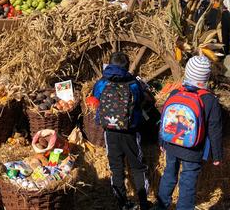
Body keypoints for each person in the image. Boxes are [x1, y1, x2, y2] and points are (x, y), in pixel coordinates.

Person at [156, 56, 223, 210]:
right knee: (187, 181)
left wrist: (162, 141)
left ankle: (161, 206)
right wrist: (217, 155)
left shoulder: (175, 93)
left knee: (168, 175)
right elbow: (215, 129)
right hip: (193, 150)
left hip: (172, 144)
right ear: (205, 77)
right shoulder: (210, 100)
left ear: (187, 73)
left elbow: (165, 119)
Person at [91, 52, 150, 210]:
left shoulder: (102, 82)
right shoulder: (133, 83)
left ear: (109, 64)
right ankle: (144, 203)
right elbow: (139, 100)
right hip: (130, 131)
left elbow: (95, 97)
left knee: (116, 168)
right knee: (137, 167)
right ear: (126, 66)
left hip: (110, 131)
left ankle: (123, 204)